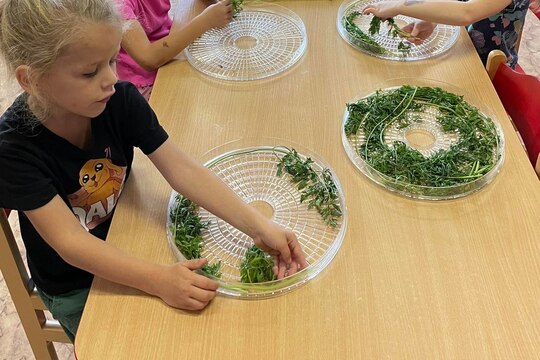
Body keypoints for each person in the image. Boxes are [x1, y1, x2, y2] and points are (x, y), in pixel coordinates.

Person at [0, 0, 306, 342]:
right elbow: (71, 243)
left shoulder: (118, 100)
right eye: (90, 72)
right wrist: (157, 279)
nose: (111, 79)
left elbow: (183, 170)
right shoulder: (14, 151)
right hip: (77, 285)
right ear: (32, 79)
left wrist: (258, 225)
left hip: (131, 235)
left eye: (113, 60)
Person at [117, 0, 233, 100]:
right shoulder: (118, 6)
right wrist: (206, 21)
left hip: (169, 46)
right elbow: (148, 58)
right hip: (142, 82)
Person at [363, 0, 530, 68]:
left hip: (486, 71)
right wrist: (432, 20)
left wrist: (401, 5)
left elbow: (466, 12)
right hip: (461, 52)